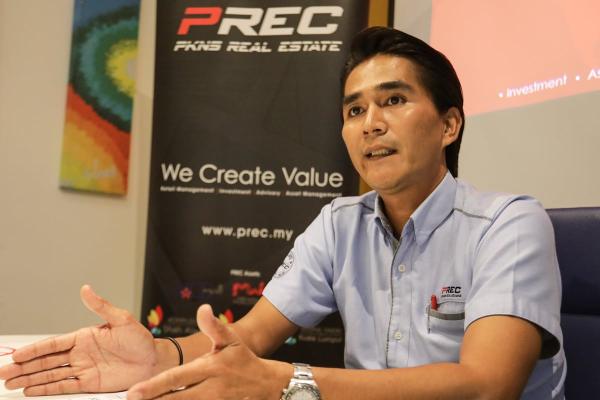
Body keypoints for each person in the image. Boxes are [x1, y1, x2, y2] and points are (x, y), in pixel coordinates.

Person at [0, 27, 565, 400]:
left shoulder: (509, 224)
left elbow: (487, 385)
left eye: (393, 100)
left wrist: (288, 382)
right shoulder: (341, 223)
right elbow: (250, 336)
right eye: (354, 110)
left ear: (449, 124)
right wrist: (158, 355)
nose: (370, 124)